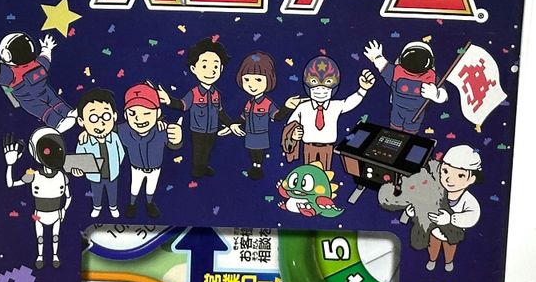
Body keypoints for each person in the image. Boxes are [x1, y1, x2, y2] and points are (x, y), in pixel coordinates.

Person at [155, 38, 236, 178]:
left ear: (221, 69)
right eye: (204, 66)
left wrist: (230, 124)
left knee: (208, 148)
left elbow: (220, 112)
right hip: (197, 129)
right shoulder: (194, 93)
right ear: (194, 69)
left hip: (212, 129)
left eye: (215, 67)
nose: (210, 71)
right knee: (198, 150)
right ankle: (197, 168)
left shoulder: (216, 94)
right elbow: (182, 105)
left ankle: (203, 166)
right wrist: (169, 100)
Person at [283, 55, 375, 172]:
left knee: (325, 176)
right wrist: (294, 134)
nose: (321, 90)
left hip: (327, 148)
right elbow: (290, 125)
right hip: (309, 147)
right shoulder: (303, 107)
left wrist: (363, 89)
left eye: (327, 84)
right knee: (309, 174)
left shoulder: (335, 106)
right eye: (315, 84)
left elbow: (349, 103)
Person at [0, 33, 76, 132]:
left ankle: (66, 114)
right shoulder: (24, 69)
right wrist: (46, 48)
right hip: (32, 98)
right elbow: (45, 58)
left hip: (40, 93)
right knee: (46, 108)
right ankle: (58, 122)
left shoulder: (18, 71)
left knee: (52, 102)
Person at [3, 129, 71, 269]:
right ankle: (40, 256)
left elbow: (69, 196)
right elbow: (11, 184)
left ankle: (55, 256)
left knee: (55, 236)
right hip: (39, 214)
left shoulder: (62, 176)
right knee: (40, 237)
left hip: (56, 212)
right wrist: (10, 165)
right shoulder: (33, 175)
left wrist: (64, 209)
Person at [117, 83, 183, 218]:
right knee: (134, 187)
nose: (139, 118)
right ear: (125, 115)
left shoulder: (161, 130)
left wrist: (177, 139)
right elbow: (106, 131)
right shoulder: (123, 130)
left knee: (151, 187)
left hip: (155, 168)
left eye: (146, 113)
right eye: (132, 113)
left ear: (157, 113)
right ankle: (132, 204)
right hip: (136, 168)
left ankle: (149, 203)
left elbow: (173, 145)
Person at [363, 39, 447, 134]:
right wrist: (376, 56)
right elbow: (383, 66)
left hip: (415, 117)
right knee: (395, 132)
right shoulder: (396, 72)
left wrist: (436, 94)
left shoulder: (432, 77)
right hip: (397, 115)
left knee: (409, 134)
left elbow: (444, 96)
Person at [427, 143, 482, 272]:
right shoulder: (437, 191)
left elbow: (472, 216)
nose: (449, 179)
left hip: (453, 233)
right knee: (432, 246)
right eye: (445, 171)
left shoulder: (468, 200)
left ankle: (449, 262)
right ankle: (432, 260)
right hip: (434, 230)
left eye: (460, 175)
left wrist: (451, 219)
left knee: (449, 248)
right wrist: (412, 212)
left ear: (471, 179)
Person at [232, 51, 288, 179]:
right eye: (247, 79)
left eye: (258, 80)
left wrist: (287, 107)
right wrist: (233, 125)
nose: (252, 85)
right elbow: (243, 117)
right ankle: (254, 166)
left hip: (261, 135)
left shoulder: (267, 103)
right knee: (252, 153)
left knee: (259, 154)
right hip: (249, 134)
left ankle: (258, 167)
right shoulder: (249, 103)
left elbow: (277, 116)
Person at [73, 89, 124, 218]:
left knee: (113, 192)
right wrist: (80, 170)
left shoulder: (114, 137)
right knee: (96, 192)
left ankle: (113, 207)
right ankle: (97, 207)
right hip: (95, 176)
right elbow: (80, 160)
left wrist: (116, 165)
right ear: (81, 121)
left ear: (114, 116)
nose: (101, 122)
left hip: (112, 173)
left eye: (106, 116)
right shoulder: (84, 142)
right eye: (93, 118)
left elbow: (121, 152)